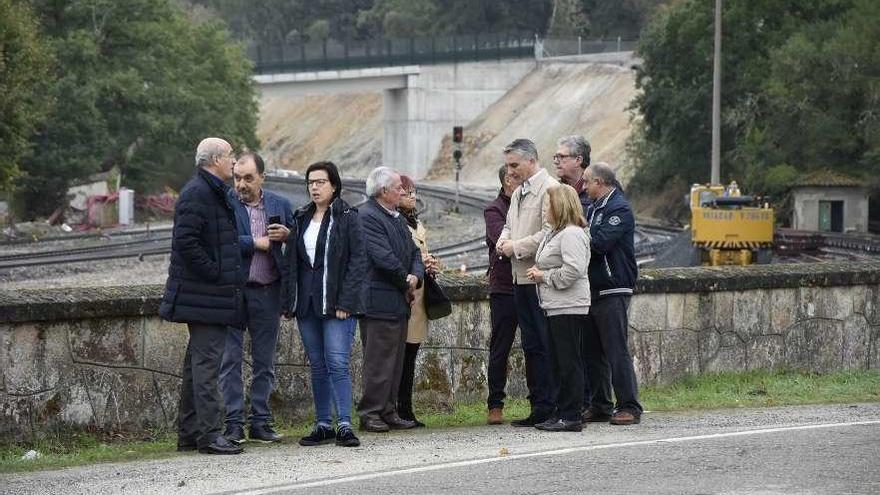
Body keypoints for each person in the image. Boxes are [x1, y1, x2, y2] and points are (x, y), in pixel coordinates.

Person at [160, 137, 244, 455]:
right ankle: (209, 435)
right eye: (230, 156)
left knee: (197, 369)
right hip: (206, 296)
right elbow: (186, 241)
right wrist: (216, 273)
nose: (234, 161)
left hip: (207, 296)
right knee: (207, 367)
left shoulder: (210, 191)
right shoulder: (198, 193)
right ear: (214, 160)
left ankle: (191, 433)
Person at [218, 152, 294, 445]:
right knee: (230, 361)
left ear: (262, 177)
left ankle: (260, 422)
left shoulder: (280, 204)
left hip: (267, 292)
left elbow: (298, 245)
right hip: (234, 293)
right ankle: (234, 423)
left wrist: (288, 235)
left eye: (248, 178)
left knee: (265, 362)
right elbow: (220, 242)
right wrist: (256, 242)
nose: (241, 184)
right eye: (237, 177)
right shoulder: (225, 204)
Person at [294, 161, 366, 448]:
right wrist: (291, 300)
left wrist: (346, 301)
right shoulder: (300, 217)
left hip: (337, 305)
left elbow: (358, 262)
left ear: (334, 185)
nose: (315, 187)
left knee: (337, 362)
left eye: (321, 181)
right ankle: (323, 423)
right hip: (308, 305)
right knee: (317, 365)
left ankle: (345, 425)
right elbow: (294, 263)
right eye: (311, 182)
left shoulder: (348, 217)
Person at [496, 138, 559, 427]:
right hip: (519, 278)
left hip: (539, 279)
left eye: (514, 165)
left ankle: (552, 404)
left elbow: (549, 233)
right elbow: (509, 224)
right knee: (531, 344)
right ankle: (539, 406)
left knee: (546, 344)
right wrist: (502, 241)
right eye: (508, 165)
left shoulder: (550, 190)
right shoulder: (520, 191)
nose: (510, 171)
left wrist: (515, 247)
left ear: (531, 161)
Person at [357, 166, 425, 432]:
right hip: (378, 301)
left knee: (395, 359)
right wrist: (406, 279)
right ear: (383, 191)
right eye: (398, 187)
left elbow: (414, 253)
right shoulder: (367, 216)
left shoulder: (396, 218)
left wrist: (415, 277)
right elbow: (381, 257)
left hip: (397, 299)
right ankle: (370, 412)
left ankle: (388, 409)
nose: (403, 192)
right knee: (378, 359)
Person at [581, 162, 643, 426]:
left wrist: (578, 235)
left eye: (586, 182)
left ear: (600, 183)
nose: (583, 187)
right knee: (592, 351)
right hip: (594, 288)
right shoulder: (595, 207)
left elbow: (600, 242)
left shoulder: (619, 208)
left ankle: (629, 405)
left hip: (613, 286)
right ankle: (601, 404)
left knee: (616, 349)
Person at [526, 185, 591, 432]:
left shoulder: (572, 234)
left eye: (548, 205)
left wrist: (544, 276)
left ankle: (572, 415)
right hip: (555, 305)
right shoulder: (556, 233)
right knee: (559, 361)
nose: (545, 210)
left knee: (569, 361)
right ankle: (562, 411)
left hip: (569, 305)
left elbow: (573, 270)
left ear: (560, 206)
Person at [396, 175, 440, 428]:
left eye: (413, 192)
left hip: (420, 295)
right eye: (406, 192)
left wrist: (430, 263)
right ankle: (400, 408)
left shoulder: (415, 221)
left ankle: (406, 407)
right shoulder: (395, 222)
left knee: (410, 355)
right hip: (407, 294)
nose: (412, 196)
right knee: (402, 356)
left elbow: (421, 251)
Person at [483, 164, 522, 425]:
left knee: (536, 345)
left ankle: (540, 400)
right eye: (514, 178)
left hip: (529, 283)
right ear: (507, 181)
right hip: (505, 286)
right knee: (500, 347)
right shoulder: (495, 209)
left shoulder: (530, 203)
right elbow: (501, 242)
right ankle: (495, 404)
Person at [553, 135, 591, 214]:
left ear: (578, 160)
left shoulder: (596, 189)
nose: (556, 161)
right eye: (556, 157)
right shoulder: (554, 189)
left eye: (561, 157)